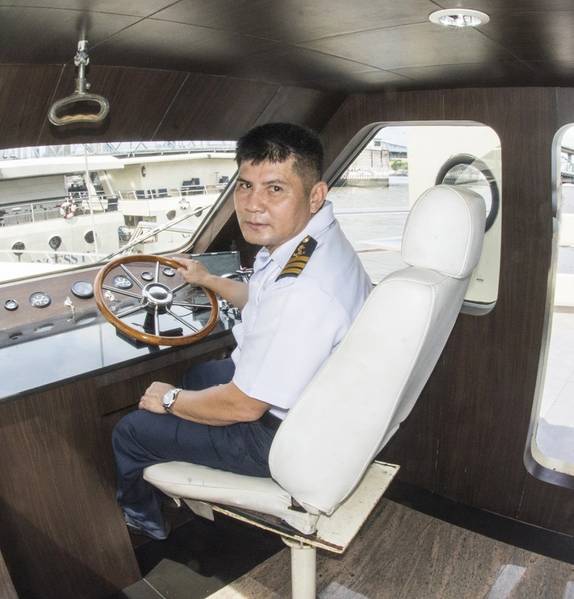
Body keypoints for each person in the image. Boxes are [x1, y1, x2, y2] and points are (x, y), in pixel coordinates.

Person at [112, 122, 372, 540]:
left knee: (131, 431)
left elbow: (243, 407)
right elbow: (263, 298)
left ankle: (144, 522)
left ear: (315, 194)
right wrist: (208, 280)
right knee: (200, 375)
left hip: (276, 437)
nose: (253, 205)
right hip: (315, 402)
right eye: (245, 186)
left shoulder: (303, 289)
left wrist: (171, 399)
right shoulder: (310, 245)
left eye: (275, 189)